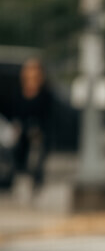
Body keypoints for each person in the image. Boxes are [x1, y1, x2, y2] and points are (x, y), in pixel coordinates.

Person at [12, 57, 54, 193]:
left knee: (37, 159)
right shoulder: (19, 92)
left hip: (39, 132)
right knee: (20, 156)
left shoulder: (45, 93)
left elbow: (48, 114)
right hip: (23, 131)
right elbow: (16, 112)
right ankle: (20, 182)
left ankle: (36, 184)